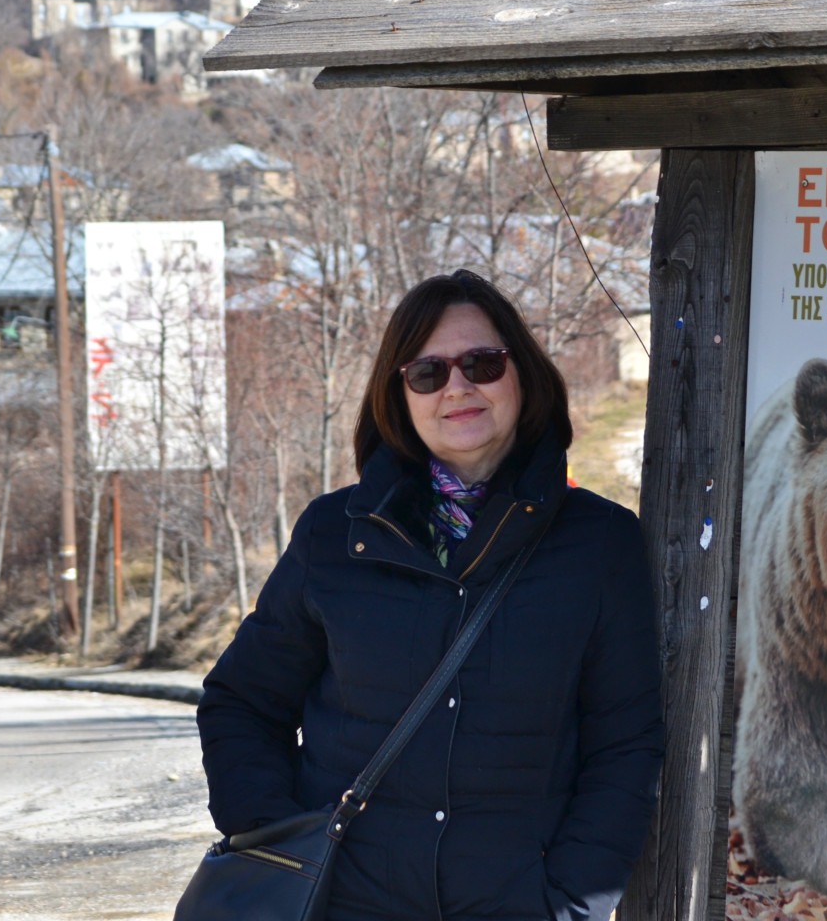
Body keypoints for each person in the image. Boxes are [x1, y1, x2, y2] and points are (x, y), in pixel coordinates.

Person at [196, 269, 664, 921]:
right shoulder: (336, 536)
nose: (458, 387)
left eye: (482, 363)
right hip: (343, 906)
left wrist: (566, 905)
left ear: (522, 373)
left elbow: (626, 748)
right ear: (401, 395)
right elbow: (241, 703)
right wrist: (274, 839)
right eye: (428, 373)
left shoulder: (600, 544)